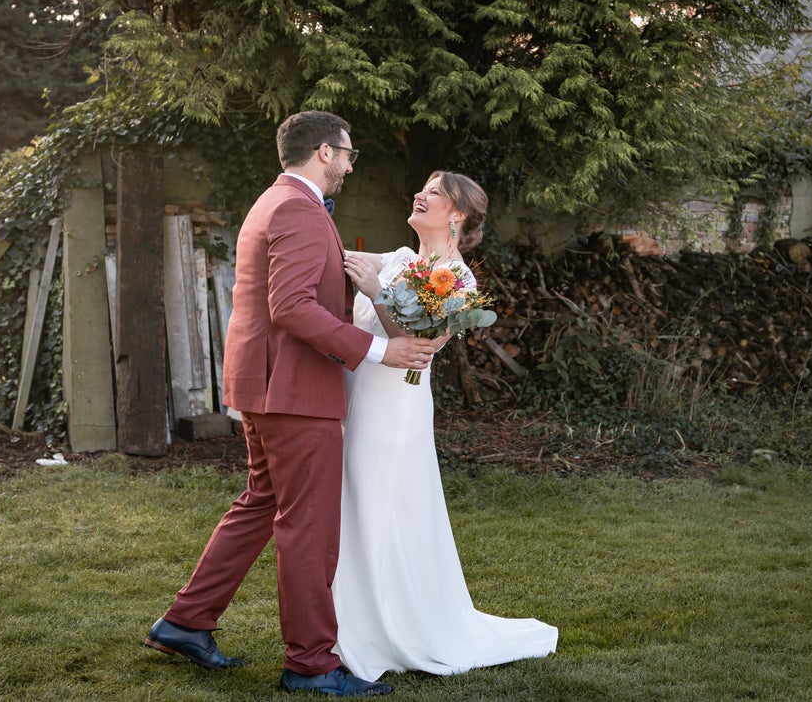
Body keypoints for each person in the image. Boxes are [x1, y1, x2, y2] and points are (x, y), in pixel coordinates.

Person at [141, 111, 439, 697]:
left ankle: (185, 621)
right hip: (295, 393)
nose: (350, 166)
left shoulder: (276, 201)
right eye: (348, 154)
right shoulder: (299, 209)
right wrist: (383, 350)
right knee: (308, 527)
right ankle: (311, 664)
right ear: (325, 152)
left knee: (261, 503)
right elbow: (293, 307)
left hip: (268, 386)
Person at [335, 171, 559, 682]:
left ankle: (383, 629)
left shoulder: (459, 280)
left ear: (457, 214)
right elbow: (333, 254)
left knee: (378, 507)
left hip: (395, 408)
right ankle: (352, 619)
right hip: (355, 398)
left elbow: (420, 349)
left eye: (434, 192)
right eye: (424, 187)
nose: (420, 194)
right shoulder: (399, 259)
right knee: (354, 505)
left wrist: (378, 294)